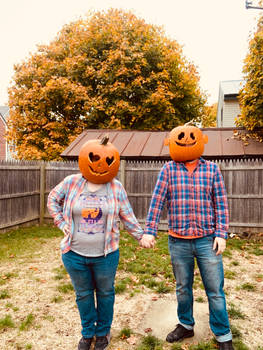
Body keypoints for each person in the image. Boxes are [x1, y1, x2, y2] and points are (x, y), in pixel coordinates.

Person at [47, 136, 153, 350]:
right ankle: (87, 334)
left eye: (107, 160)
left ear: (114, 162)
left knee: (105, 294)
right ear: (85, 158)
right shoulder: (72, 182)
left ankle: (103, 333)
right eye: (94, 158)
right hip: (74, 253)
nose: (100, 164)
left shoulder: (116, 187)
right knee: (83, 295)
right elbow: (52, 199)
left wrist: (141, 235)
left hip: (106, 256)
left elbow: (127, 214)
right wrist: (60, 221)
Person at [144, 125, 234, 350]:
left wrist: (221, 234)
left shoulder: (212, 170)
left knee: (214, 289)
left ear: (201, 140)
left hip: (207, 240)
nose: (186, 140)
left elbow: (221, 204)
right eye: (180, 138)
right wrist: (149, 230)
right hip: (178, 241)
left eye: (191, 137)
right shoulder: (168, 170)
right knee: (183, 287)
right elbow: (157, 201)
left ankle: (223, 335)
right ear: (171, 142)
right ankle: (185, 324)